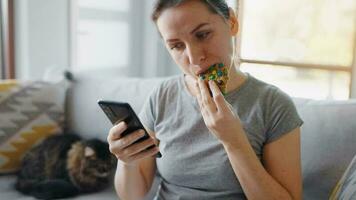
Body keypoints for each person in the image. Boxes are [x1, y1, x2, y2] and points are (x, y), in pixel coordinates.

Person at [107, 0, 303, 199]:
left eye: (202, 35)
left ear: (232, 22)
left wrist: (234, 142)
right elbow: (132, 195)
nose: (194, 58)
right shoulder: (162, 97)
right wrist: (127, 160)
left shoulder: (273, 105)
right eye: (176, 46)